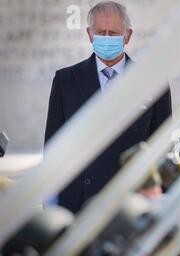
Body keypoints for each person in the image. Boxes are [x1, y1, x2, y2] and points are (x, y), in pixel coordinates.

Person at [45, 1, 172, 213]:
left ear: (127, 36)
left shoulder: (153, 81)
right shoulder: (65, 80)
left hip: (134, 202)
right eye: (100, 32)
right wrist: (50, 203)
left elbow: (163, 146)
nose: (106, 37)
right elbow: (53, 145)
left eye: (113, 33)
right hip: (78, 202)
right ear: (89, 34)